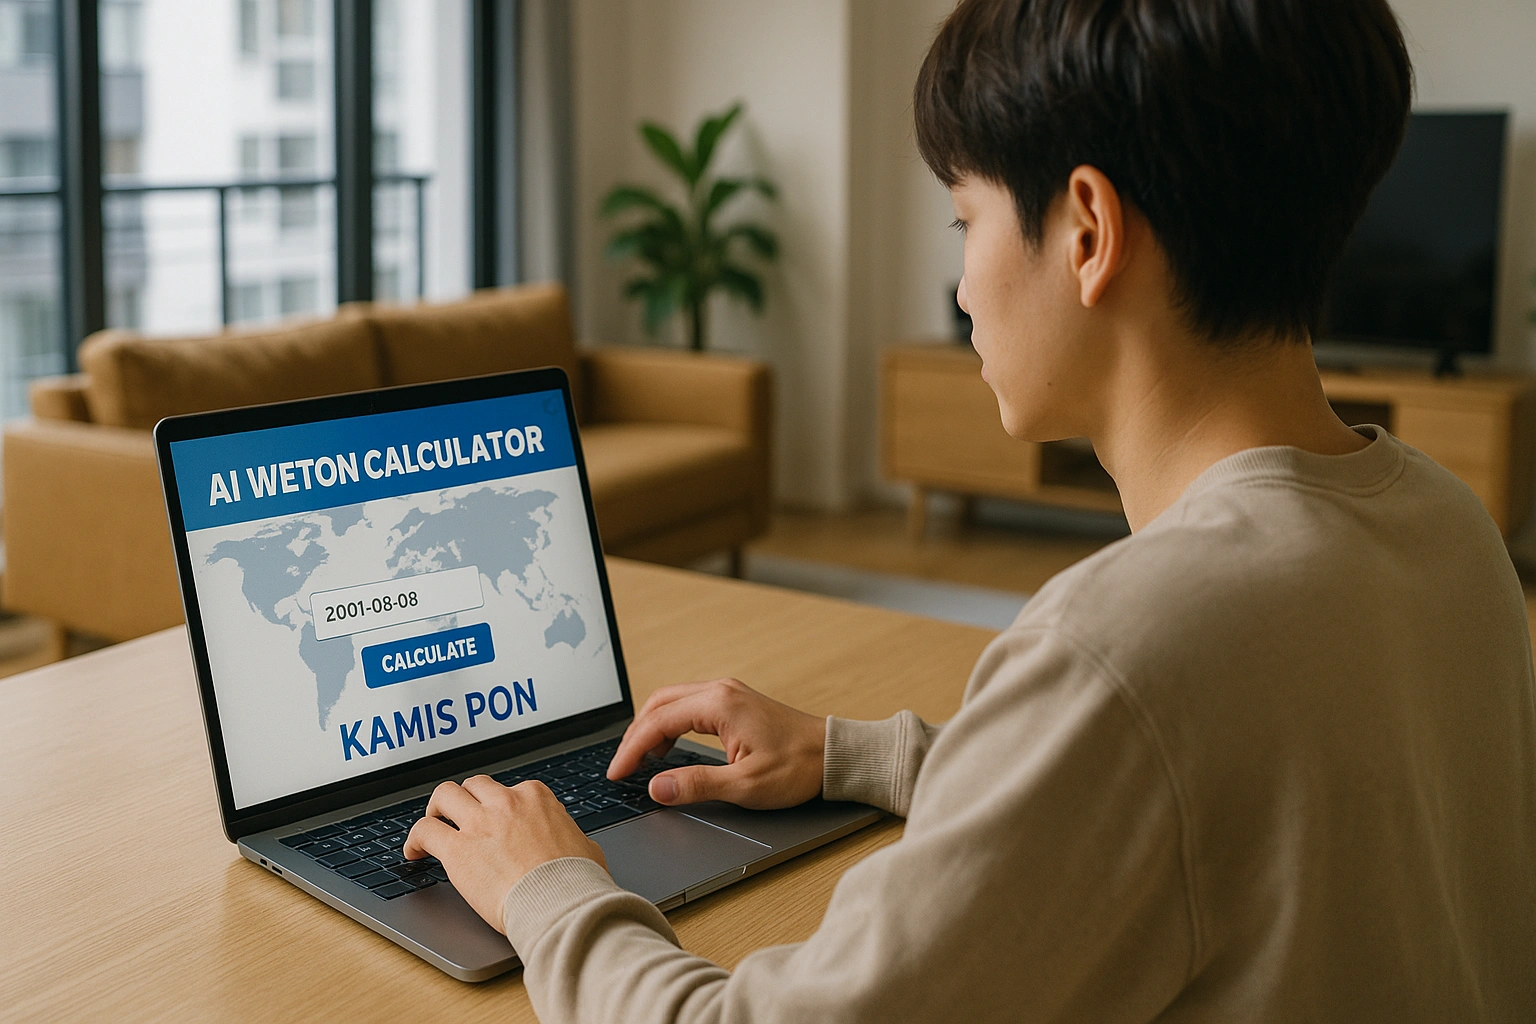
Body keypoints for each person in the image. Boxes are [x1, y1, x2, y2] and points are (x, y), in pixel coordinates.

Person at [404, 0, 1536, 1019]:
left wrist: (547, 889)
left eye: (964, 219)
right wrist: (856, 753)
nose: (960, 283)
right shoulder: (1447, 524)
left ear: (1087, 231)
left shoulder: (1125, 645)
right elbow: (1204, 797)